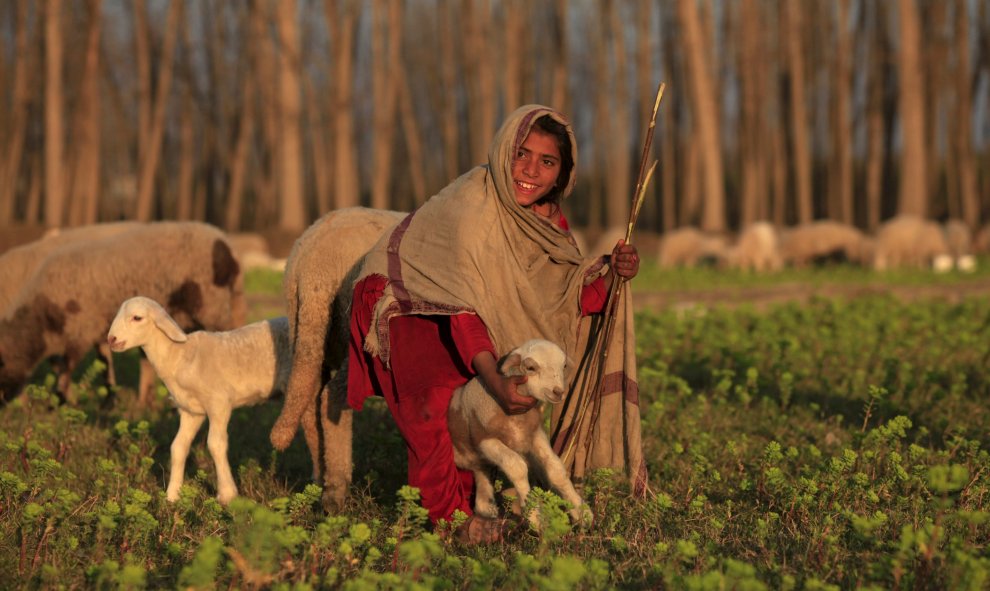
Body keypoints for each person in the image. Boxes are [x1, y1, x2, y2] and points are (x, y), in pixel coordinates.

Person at [347, 105, 646, 544]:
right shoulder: (474, 207)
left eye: (547, 162)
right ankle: (453, 522)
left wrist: (614, 276)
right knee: (435, 403)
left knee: (479, 409)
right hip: (412, 302)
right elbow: (465, 306)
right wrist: (494, 377)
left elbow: (559, 306)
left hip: (470, 321)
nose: (530, 171)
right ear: (503, 149)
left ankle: (485, 496)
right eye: (520, 155)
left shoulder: (548, 224)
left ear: (563, 173)